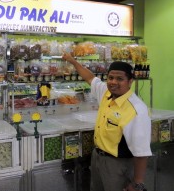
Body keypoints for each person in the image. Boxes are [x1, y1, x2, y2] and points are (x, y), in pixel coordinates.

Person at [62, 53, 152, 191]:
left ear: (130, 81)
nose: (113, 82)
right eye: (110, 77)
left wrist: (137, 183)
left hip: (118, 164)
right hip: (97, 157)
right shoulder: (106, 93)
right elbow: (90, 77)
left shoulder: (136, 109)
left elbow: (141, 151)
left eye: (120, 79)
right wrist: (73, 61)